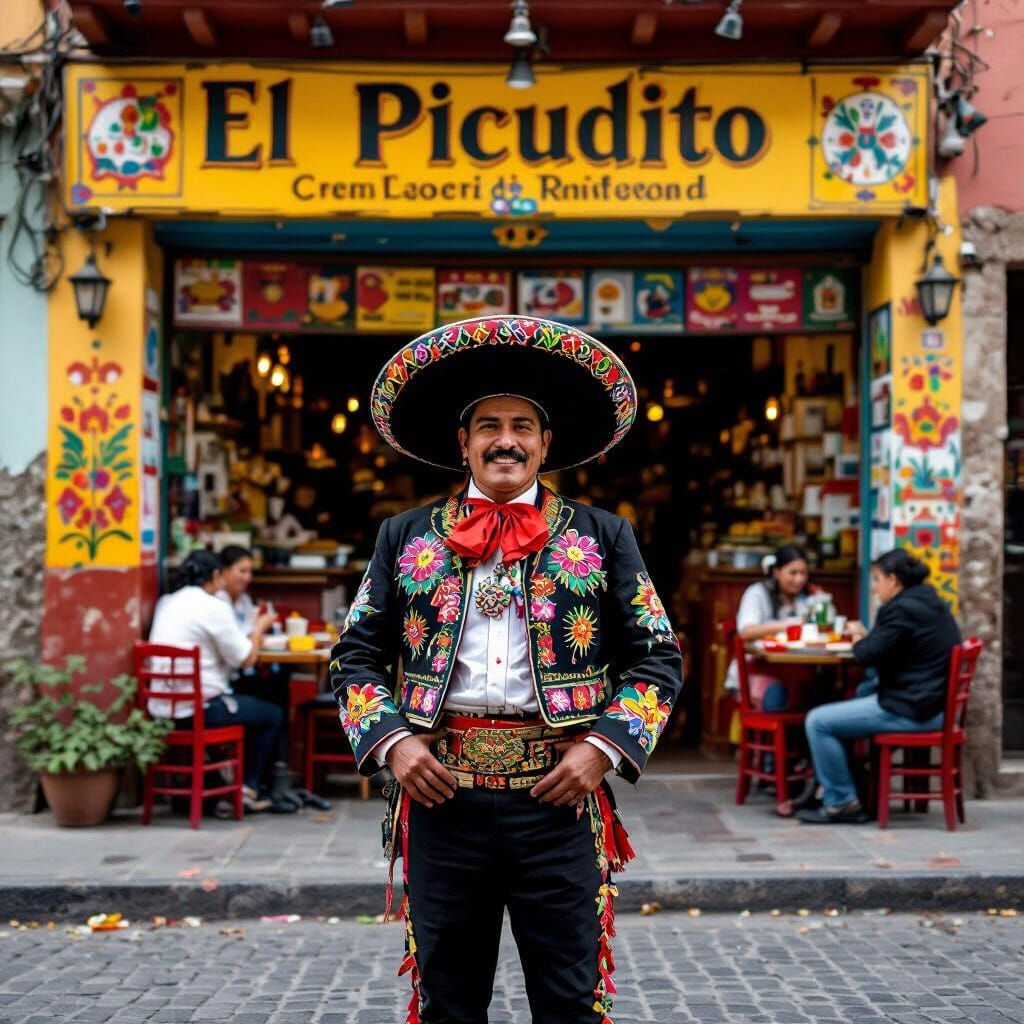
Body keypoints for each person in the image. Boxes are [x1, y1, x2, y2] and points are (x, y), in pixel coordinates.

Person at [330, 316, 684, 1024]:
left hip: (559, 798)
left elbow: (657, 656)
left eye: (522, 426)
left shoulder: (603, 534)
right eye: (488, 426)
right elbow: (354, 655)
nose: (506, 441)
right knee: (448, 1004)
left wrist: (602, 748)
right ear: (462, 443)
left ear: (545, 443)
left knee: (570, 1003)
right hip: (441, 797)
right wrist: (394, 743)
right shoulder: (404, 535)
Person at [798, 548, 962, 825]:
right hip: (933, 707)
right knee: (860, 692)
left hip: (914, 710)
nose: (874, 588)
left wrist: (858, 636)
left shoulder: (900, 609)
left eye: (877, 580)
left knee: (818, 721)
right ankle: (857, 786)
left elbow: (865, 654)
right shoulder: (928, 599)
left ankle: (841, 802)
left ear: (893, 580)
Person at [149, 549, 281, 811]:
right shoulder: (213, 606)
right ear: (216, 575)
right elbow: (246, 659)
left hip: (161, 708)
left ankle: (222, 784)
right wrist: (259, 628)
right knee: (272, 714)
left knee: (244, 702)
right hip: (200, 710)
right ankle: (247, 789)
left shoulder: (166, 601)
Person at [725, 544, 812, 711]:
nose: (799, 579)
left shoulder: (804, 599)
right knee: (778, 694)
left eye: (804, 573)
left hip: (792, 668)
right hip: (756, 671)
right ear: (777, 572)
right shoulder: (757, 593)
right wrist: (787, 625)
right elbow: (746, 631)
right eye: (793, 573)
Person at [216, 544, 258, 632]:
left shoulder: (245, 599)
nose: (248, 578)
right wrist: (260, 627)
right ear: (225, 571)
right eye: (242, 571)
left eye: (250, 572)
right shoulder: (216, 600)